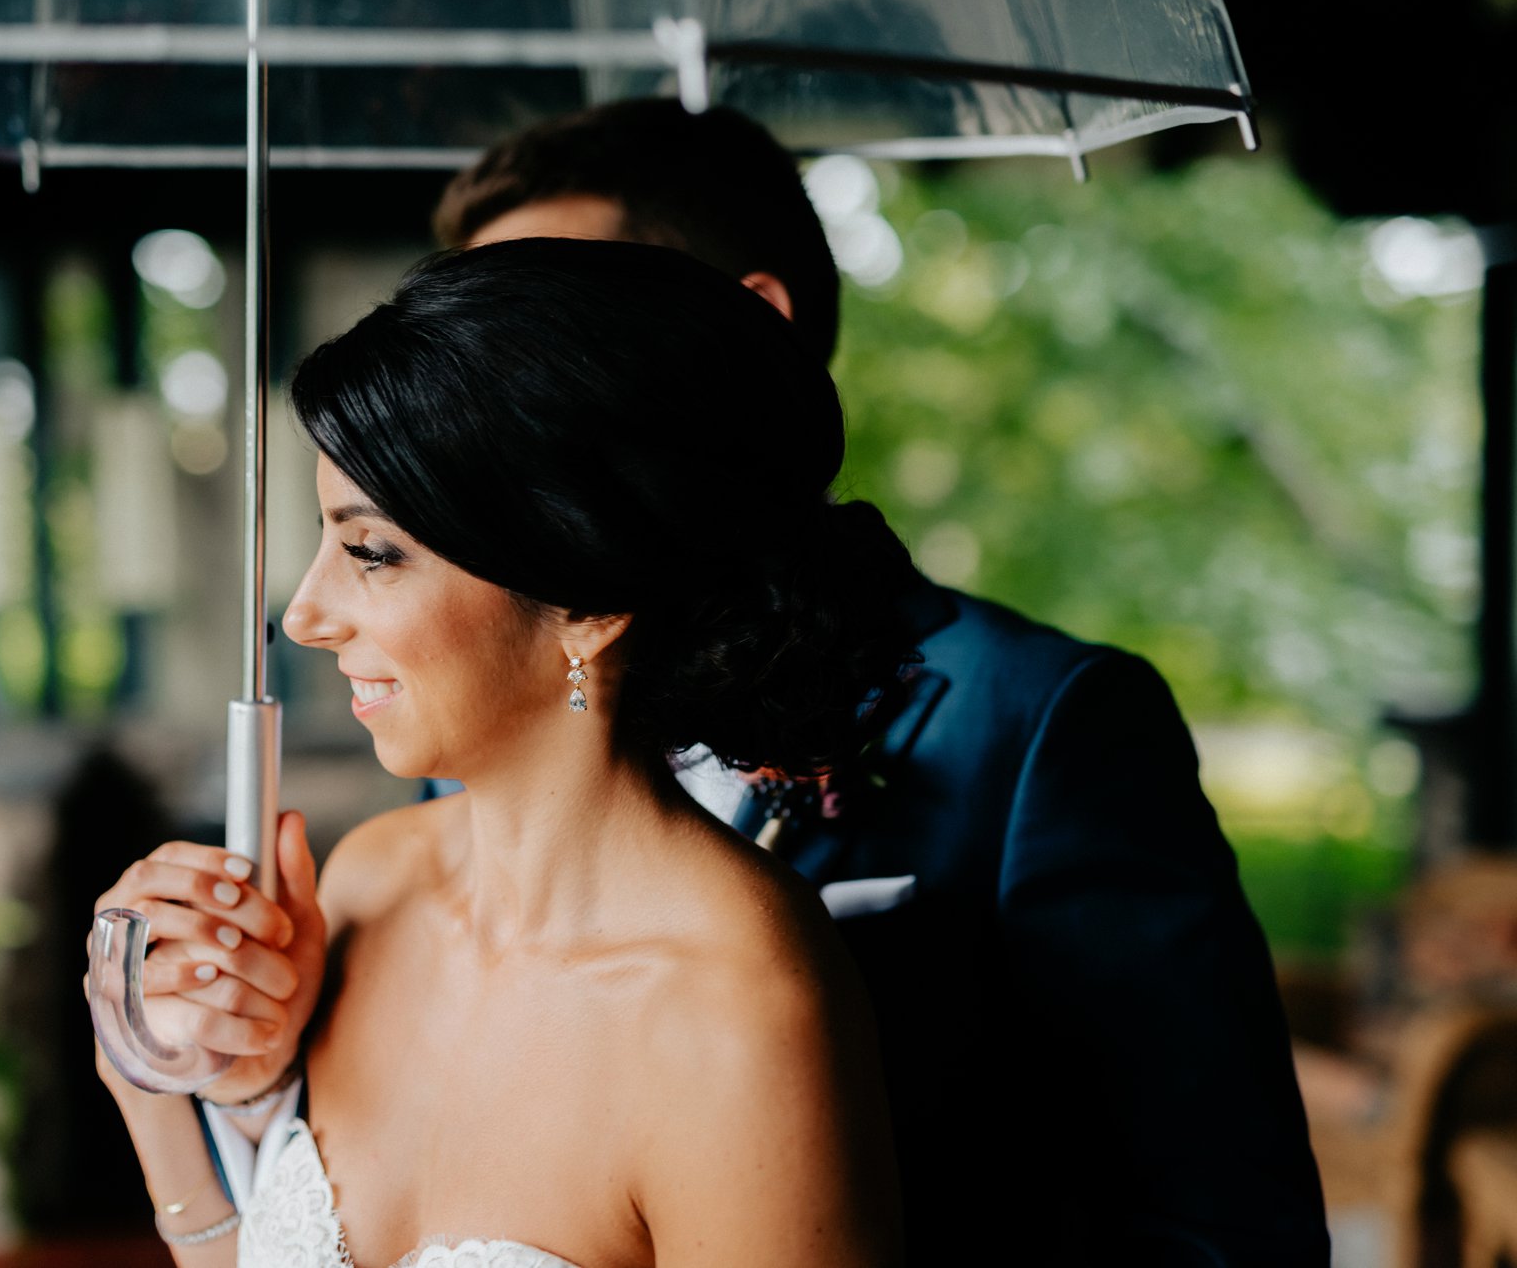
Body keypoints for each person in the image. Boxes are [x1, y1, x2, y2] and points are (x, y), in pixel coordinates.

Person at [427, 99, 1331, 1266]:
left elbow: (1221, 1232)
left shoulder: (1040, 722)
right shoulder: (475, 717)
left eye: (539, 333)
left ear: (751, 329)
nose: (477, 402)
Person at [97, 238, 912, 1267]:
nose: (304, 614)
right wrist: (158, 1074)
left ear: (584, 600)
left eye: (369, 553)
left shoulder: (732, 1019)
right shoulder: (373, 882)